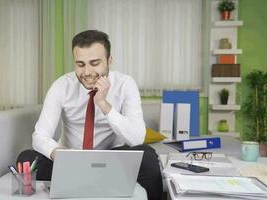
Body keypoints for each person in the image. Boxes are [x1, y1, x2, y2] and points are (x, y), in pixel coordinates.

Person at [17, 30, 162, 200]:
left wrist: (104, 105)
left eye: (94, 63)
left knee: (148, 156)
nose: (86, 72)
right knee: (26, 158)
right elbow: (40, 135)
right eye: (80, 64)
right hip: (69, 161)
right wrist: (59, 154)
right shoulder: (61, 85)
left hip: (112, 160)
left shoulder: (125, 84)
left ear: (109, 61)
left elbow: (137, 138)